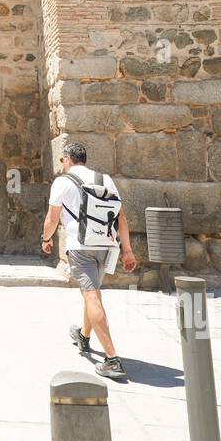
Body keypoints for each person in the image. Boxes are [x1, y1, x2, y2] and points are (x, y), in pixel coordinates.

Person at [41, 142, 137, 380]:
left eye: (62, 161)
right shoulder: (105, 179)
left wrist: (46, 239)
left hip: (80, 246)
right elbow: (120, 216)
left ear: (67, 159)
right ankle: (84, 335)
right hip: (106, 245)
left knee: (91, 295)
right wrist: (128, 250)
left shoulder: (62, 182)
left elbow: (52, 218)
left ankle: (112, 359)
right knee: (91, 292)